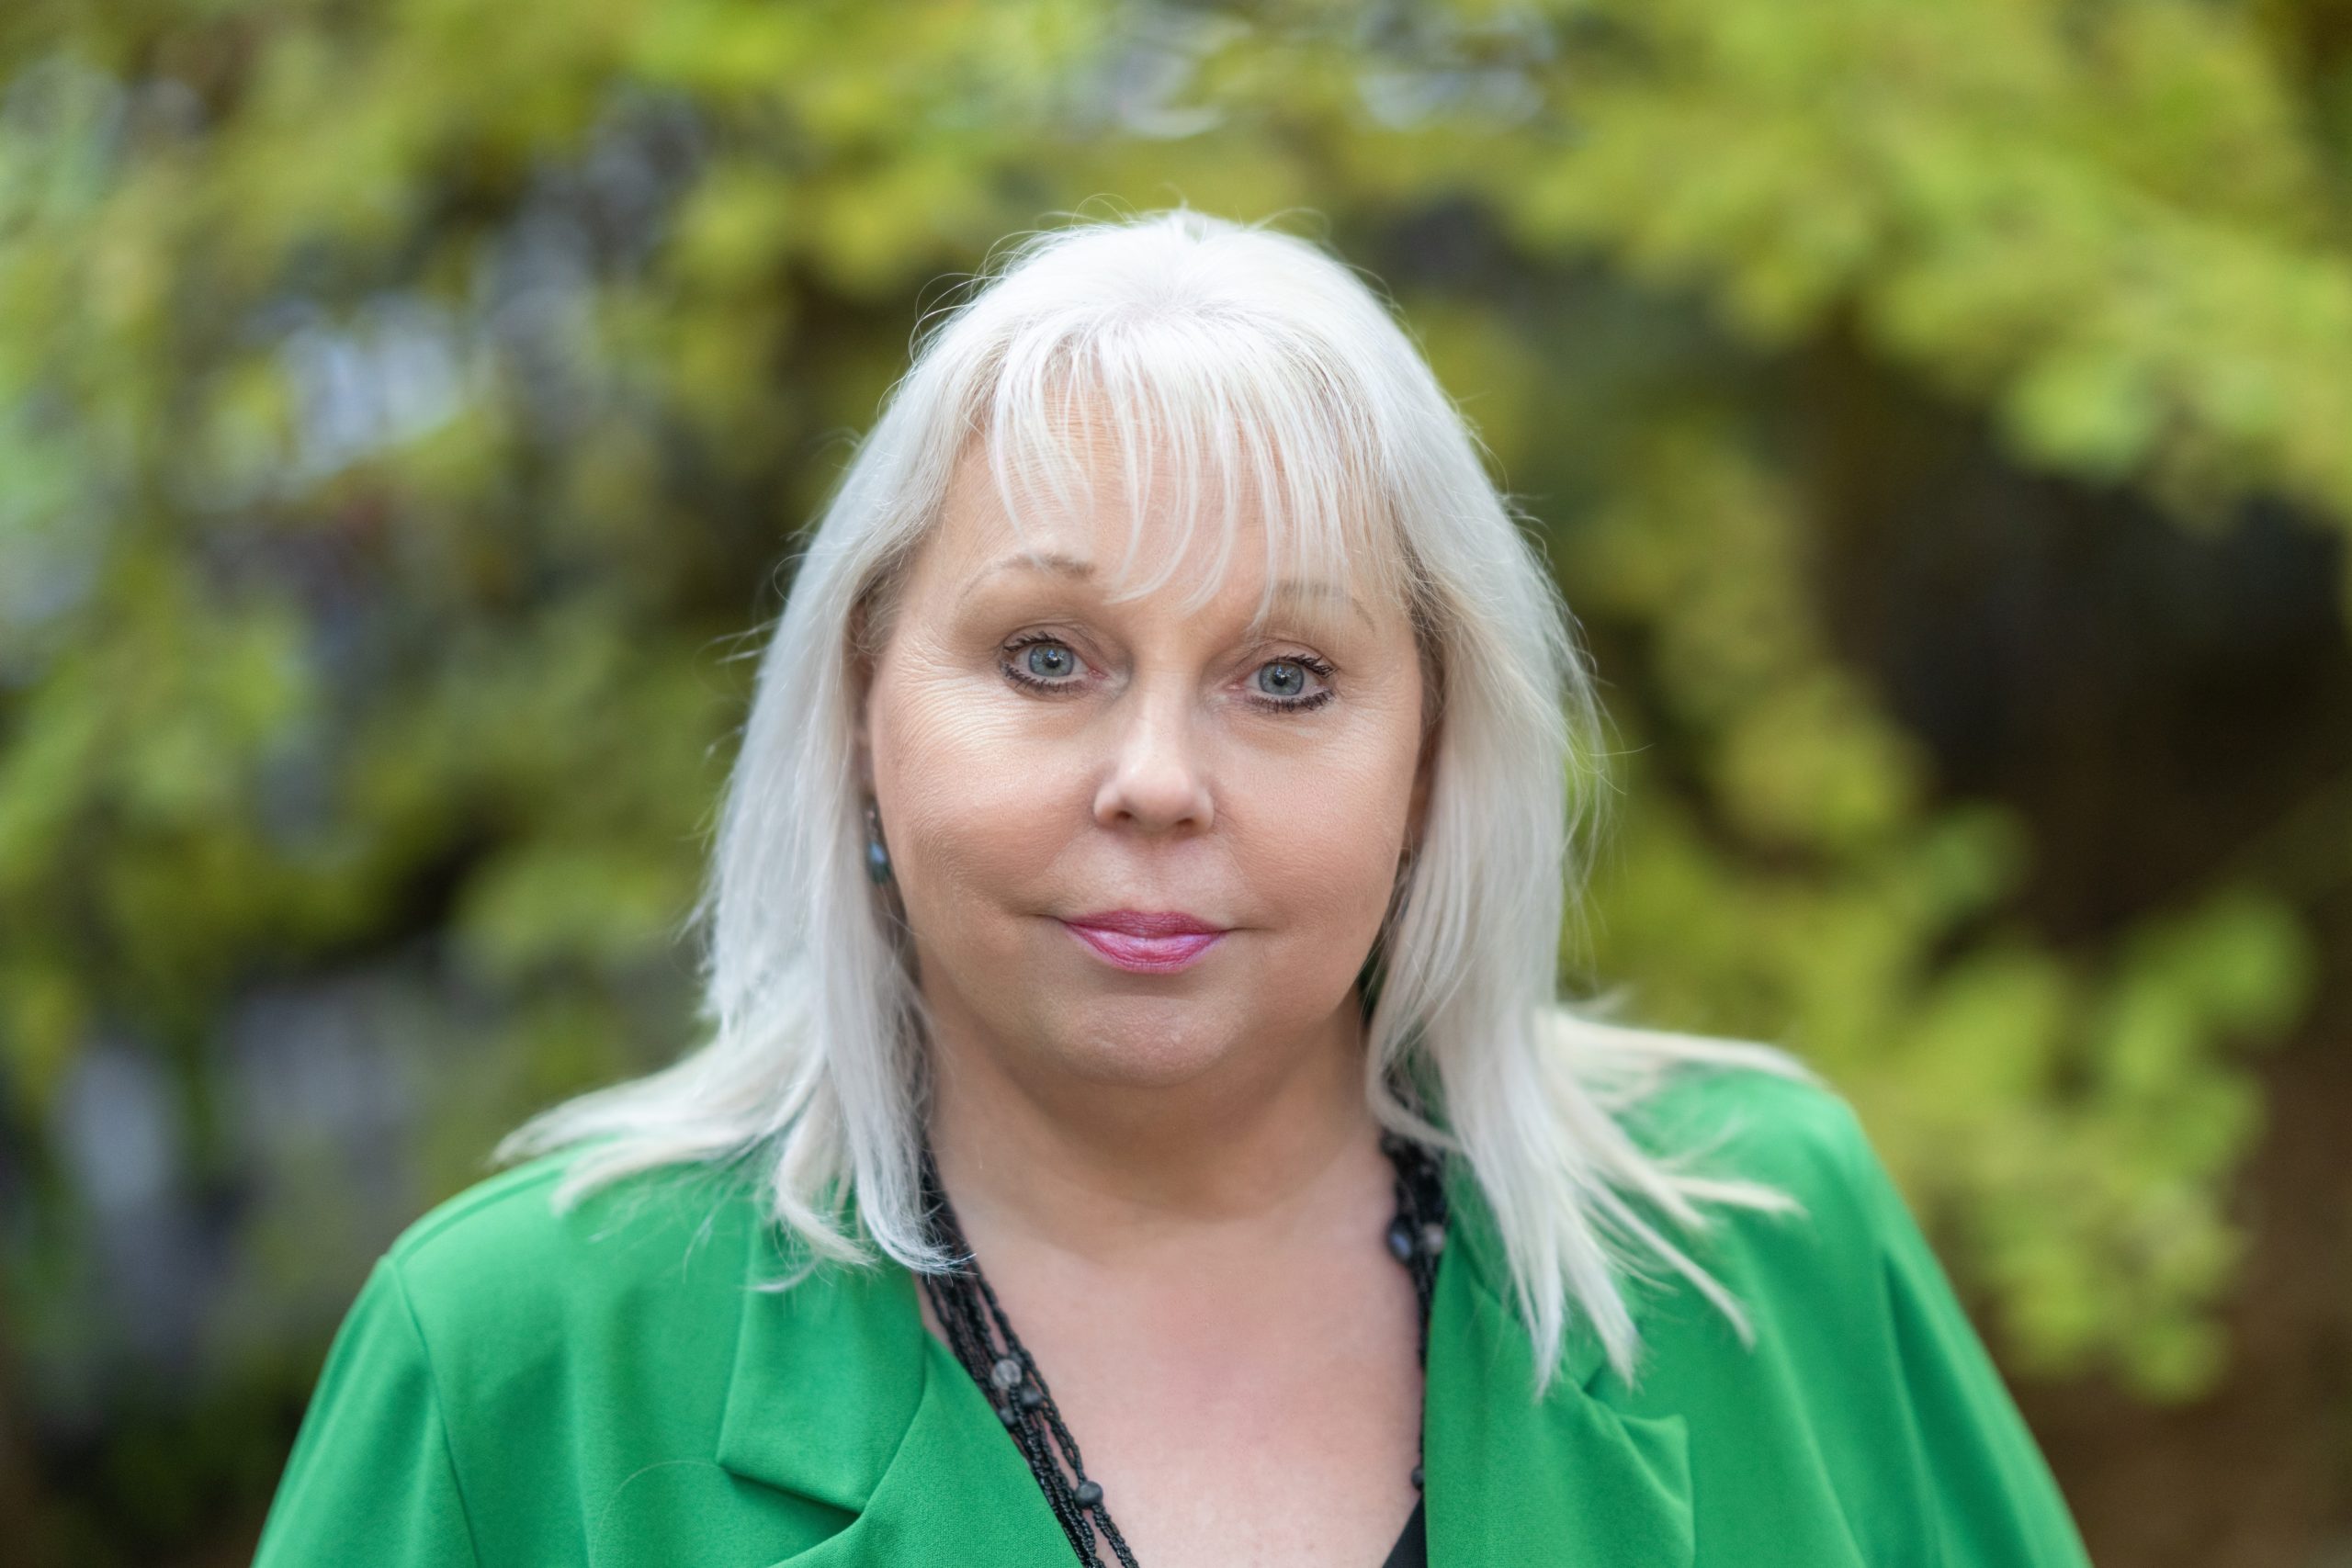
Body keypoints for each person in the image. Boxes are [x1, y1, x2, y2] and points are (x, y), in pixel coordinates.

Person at [250, 207, 2096, 1568]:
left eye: (1283, 677)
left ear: (1432, 759)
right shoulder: (517, 1361)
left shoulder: (1761, 1238)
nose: (1153, 780)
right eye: (1046, 655)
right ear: (859, 715)